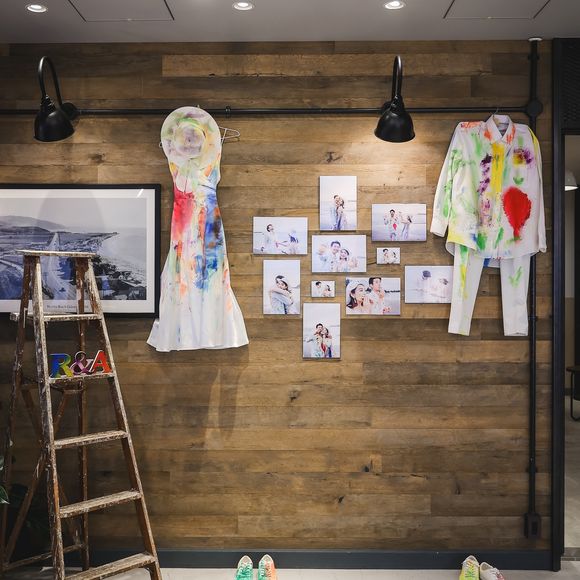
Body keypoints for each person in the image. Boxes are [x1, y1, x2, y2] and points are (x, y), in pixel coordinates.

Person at [148, 106, 248, 351]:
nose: (190, 142)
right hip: (182, 227)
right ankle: (187, 332)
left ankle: (210, 331)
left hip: (209, 224)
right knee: (181, 272)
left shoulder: (212, 153)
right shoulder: (174, 159)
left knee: (211, 274)